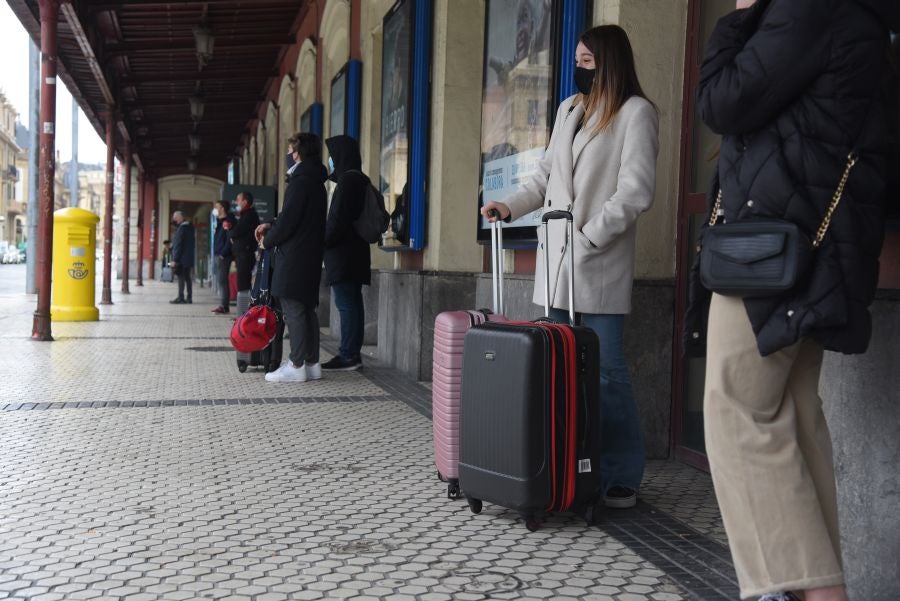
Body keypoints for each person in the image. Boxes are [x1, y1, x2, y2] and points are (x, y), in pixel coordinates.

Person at [684, 1, 897, 600]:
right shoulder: (855, 17)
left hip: (771, 255)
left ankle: (808, 592)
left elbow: (721, 100)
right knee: (795, 421)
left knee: (738, 413)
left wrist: (737, 18)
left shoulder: (806, 10)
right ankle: (822, 592)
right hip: (815, 250)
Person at [481, 25, 659, 510]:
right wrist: (509, 207)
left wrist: (588, 237)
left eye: (586, 60)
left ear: (609, 61)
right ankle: (569, 464)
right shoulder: (569, 110)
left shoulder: (636, 114)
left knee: (607, 373)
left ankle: (622, 472)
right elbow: (543, 178)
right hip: (556, 262)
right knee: (559, 368)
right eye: (577, 60)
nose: (579, 68)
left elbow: (636, 191)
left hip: (596, 262)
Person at [255, 133, 328, 383]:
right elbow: (298, 217)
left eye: (290, 150)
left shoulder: (300, 181)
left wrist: (268, 239)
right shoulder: (316, 181)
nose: (288, 155)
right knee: (307, 309)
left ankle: (296, 365)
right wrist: (272, 224)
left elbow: (289, 221)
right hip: (310, 255)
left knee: (293, 309)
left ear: (298, 152)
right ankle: (312, 362)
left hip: (294, 256)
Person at [322, 135, 372, 371]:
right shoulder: (360, 179)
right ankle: (352, 353)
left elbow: (337, 222)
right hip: (356, 253)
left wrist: (321, 242)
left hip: (344, 254)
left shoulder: (348, 182)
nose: (330, 161)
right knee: (353, 304)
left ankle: (348, 354)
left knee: (347, 305)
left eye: (332, 156)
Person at [228, 191, 260, 296]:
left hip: (245, 254)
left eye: (238, 200)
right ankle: (244, 308)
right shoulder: (245, 215)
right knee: (243, 282)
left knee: (243, 283)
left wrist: (232, 235)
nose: (236, 202)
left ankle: (244, 309)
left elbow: (237, 231)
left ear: (245, 202)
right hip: (242, 253)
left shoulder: (249, 215)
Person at [211, 200, 236, 314]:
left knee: (222, 280)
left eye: (217, 207)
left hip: (223, 256)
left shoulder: (228, 221)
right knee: (220, 280)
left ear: (222, 208)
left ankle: (224, 306)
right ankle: (223, 304)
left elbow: (230, 240)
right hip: (218, 254)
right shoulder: (221, 221)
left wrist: (223, 253)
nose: (215, 209)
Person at [169, 211, 195, 304]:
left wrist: (175, 259)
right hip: (188, 258)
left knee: (181, 277)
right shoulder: (190, 227)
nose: (174, 220)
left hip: (182, 258)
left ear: (180, 218)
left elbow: (178, 245)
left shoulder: (182, 228)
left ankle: (181, 297)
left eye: (175, 218)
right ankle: (189, 298)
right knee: (188, 278)